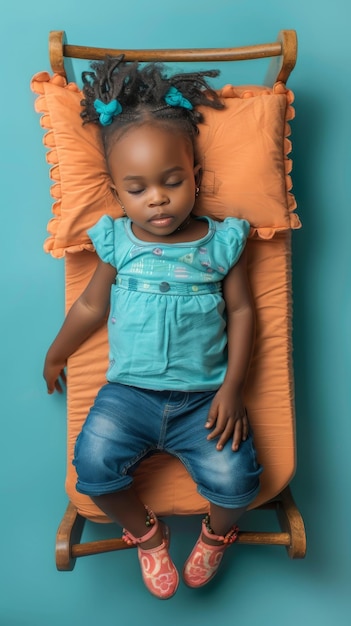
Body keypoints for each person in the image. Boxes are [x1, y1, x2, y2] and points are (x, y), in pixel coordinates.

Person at [43, 56, 262, 599]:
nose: (157, 198)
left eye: (171, 182)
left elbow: (241, 313)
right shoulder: (119, 243)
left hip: (203, 401)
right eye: (137, 189)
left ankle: (216, 533)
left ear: (196, 178)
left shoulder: (219, 244)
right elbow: (93, 308)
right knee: (91, 473)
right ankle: (146, 534)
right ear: (118, 195)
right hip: (128, 396)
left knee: (239, 484)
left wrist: (232, 389)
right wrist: (57, 353)